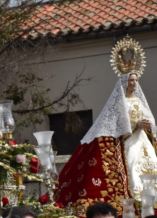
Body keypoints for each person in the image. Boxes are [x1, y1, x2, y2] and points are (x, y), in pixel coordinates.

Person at [55, 36, 156, 216]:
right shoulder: (120, 103)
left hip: (144, 142)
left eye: (136, 80)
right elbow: (117, 127)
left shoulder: (140, 102)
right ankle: (137, 205)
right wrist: (135, 126)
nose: (134, 83)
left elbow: (147, 121)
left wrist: (147, 127)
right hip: (129, 142)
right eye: (131, 80)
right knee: (133, 170)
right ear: (124, 82)